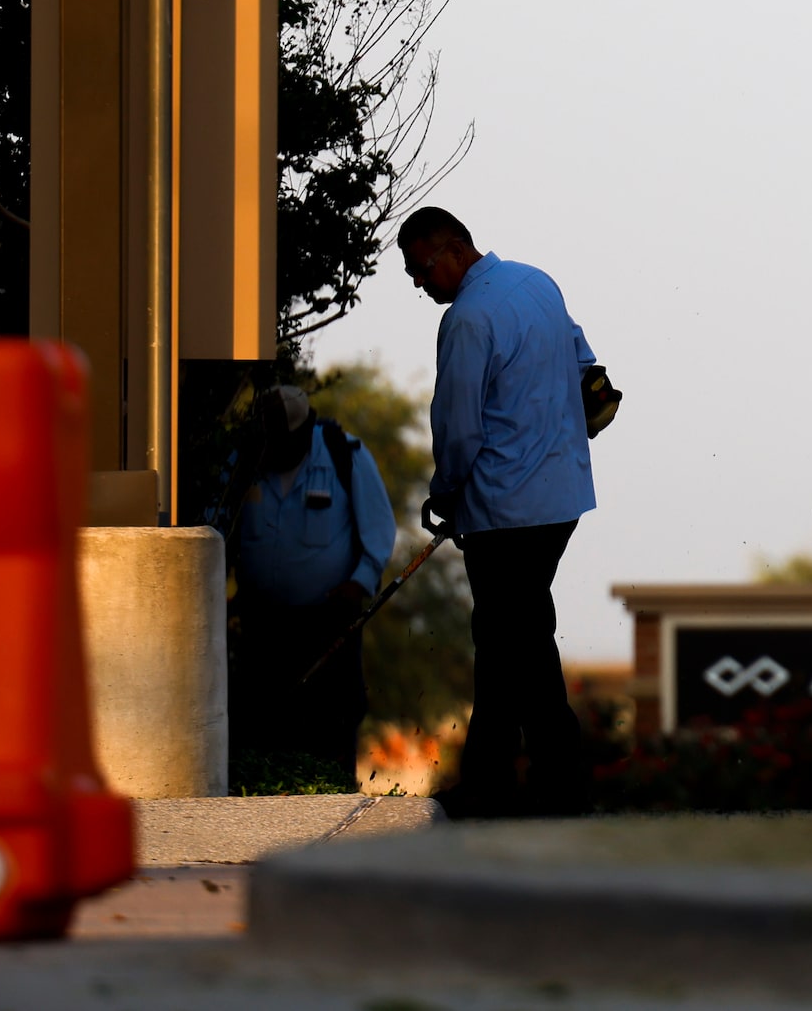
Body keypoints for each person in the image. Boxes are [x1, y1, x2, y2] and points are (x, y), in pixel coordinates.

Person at [402, 204, 600, 817]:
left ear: (453, 250)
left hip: (503, 508)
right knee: (514, 635)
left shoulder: (467, 319)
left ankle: (540, 783)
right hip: (560, 498)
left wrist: (444, 491)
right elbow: (587, 367)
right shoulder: (539, 283)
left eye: (419, 270)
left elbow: (458, 428)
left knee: (513, 638)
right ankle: (517, 779)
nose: (419, 285)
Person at [224, 383, 396, 790]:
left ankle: (334, 795)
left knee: (330, 724)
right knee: (263, 722)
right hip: (261, 628)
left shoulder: (344, 453)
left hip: (327, 624)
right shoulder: (242, 461)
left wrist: (358, 585)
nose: (280, 450)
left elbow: (379, 530)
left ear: (306, 431)